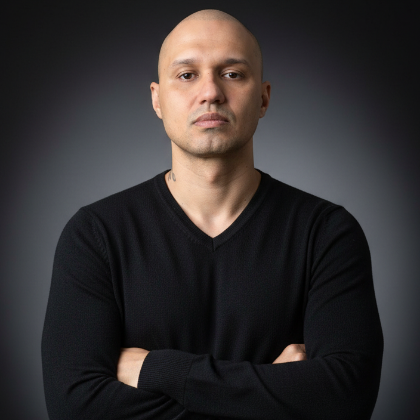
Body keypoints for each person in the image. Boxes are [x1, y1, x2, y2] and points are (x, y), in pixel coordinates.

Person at [42, 9, 383, 420]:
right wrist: (272, 394)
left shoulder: (326, 233)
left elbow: (346, 401)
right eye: (187, 75)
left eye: (232, 74)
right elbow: (74, 408)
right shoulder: (95, 235)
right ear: (156, 99)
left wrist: (157, 370)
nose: (210, 92)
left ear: (263, 98)